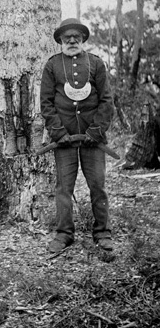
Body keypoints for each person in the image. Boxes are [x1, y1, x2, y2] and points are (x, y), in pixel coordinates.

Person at [40, 18, 114, 253]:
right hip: (64, 141)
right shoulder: (52, 66)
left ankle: (102, 232)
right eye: (67, 38)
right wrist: (58, 132)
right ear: (60, 40)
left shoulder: (96, 64)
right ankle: (64, 234)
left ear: (82, 40)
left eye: (76, 37)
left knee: (98, 186)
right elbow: (46, 102)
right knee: (64, 188)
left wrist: (96, 131)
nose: (72, 41)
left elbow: (106, 100)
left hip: (94, 141)